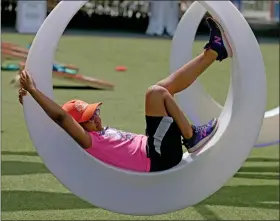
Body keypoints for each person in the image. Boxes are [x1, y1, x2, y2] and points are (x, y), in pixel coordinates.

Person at [19, 17, 232, 173]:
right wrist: (33, 92)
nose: (96, 117)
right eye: (89, 118)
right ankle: (191, 136)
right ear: (79, 128)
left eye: (94, 112)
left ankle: (215, 50)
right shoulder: (87, 141)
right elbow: (61, 118)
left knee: (161, 89)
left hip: (156, 146)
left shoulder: (97, 133)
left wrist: (29, 103)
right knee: (156, 93)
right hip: (159, 157)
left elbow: (58, 122)